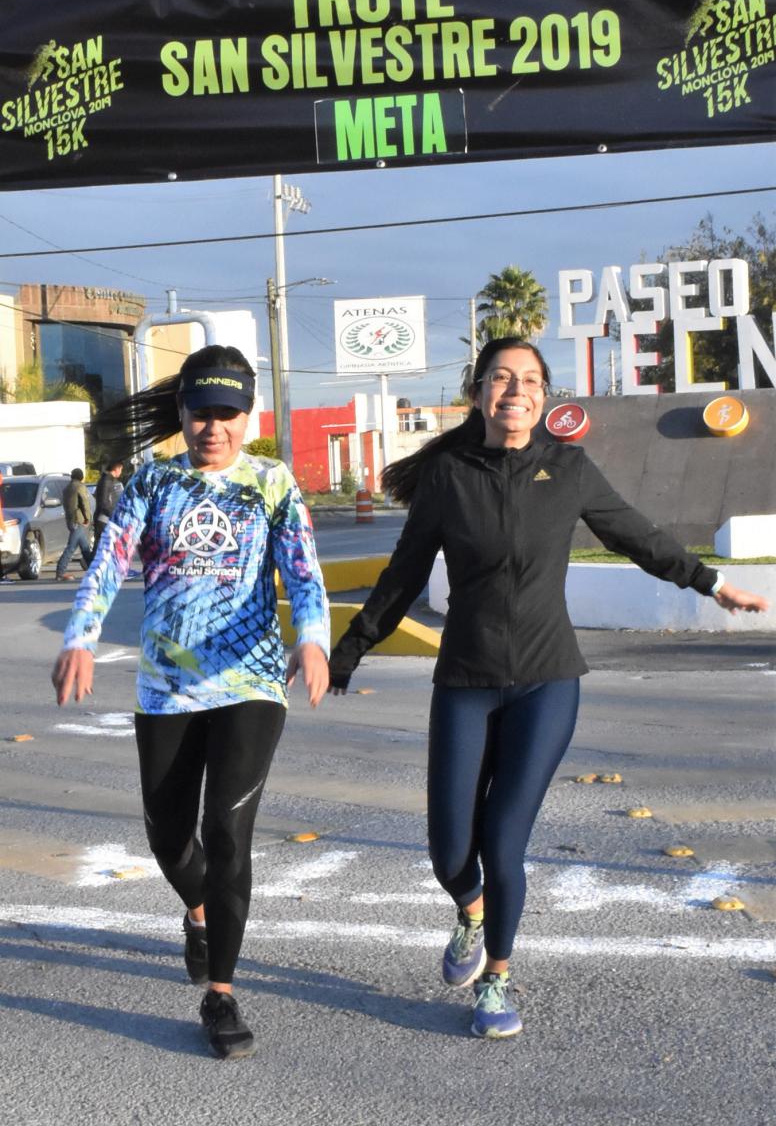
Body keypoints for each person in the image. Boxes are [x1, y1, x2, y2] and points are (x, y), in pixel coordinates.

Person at [327, 337, 769, 1041]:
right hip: (465, 682)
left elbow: (638, 537)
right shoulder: (447, 476)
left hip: (546, 682)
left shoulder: (568, 468)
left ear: (544, 395)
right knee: (450, 854)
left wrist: (711, 583)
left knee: (503, 844)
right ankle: (469, 910)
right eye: (501, 378)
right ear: (478, 393)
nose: (515, 390)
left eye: (530, 380)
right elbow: (402, 577)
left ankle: (497, 976)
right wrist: (345, 653)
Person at [51, 345, 330, 1060]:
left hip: (251, 680)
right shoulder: (152, 482)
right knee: (169, 838)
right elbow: (109, 562)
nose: (215, 428)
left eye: (228, 414)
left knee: (229, 832)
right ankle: (199, 912)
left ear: (249, 414)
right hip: (167, 684)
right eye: (202, 413)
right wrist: (80, 637)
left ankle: (223, 995)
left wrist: (314, 641)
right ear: (183, 413)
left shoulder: (270, 482)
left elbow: (302, 572)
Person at [55, 467, 92, 581]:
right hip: (78, 520)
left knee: (85, 547)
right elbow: (85, 503)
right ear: (81, 477)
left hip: (70, 521)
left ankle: (94, 571)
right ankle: (60, 572)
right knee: (71, 548)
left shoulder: (66, 488)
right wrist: (87, 518)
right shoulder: (80, 487)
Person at [91, 458, 124, 556]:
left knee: (105, 550)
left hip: (107, 519)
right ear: (116, 468)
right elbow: (104, 503)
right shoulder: (106, 481)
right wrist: (113, 515)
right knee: (100, 550)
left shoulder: (110, 480)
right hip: (104, 520)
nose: (121, 472)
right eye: (121, 469)